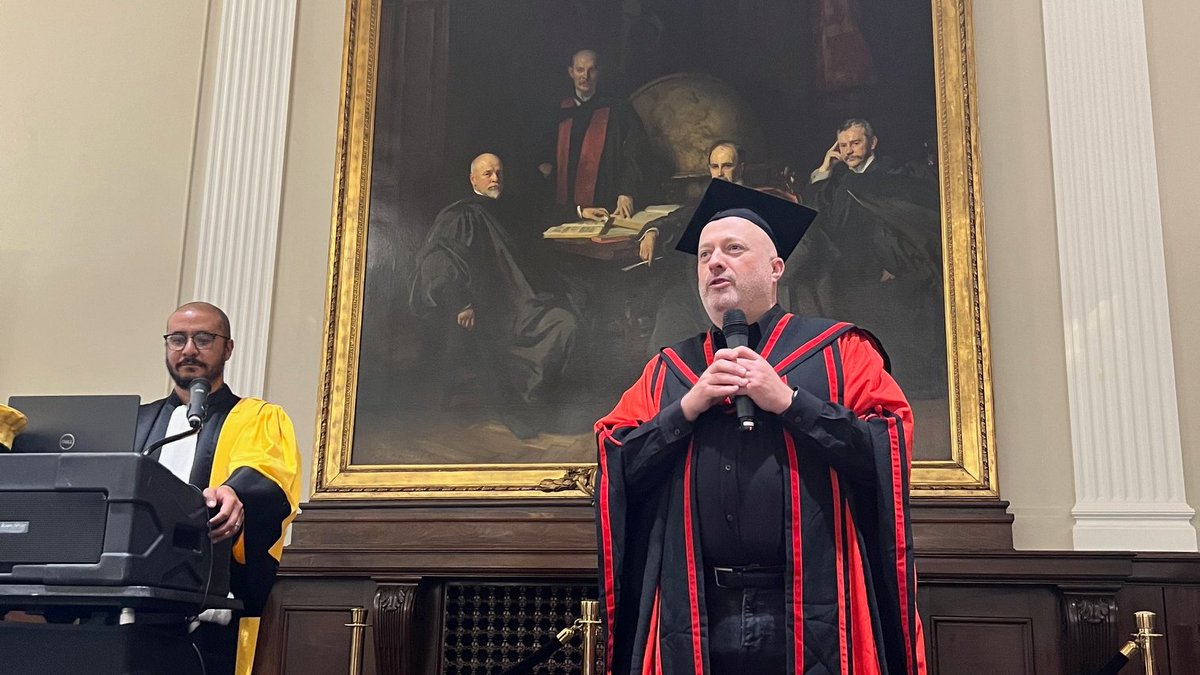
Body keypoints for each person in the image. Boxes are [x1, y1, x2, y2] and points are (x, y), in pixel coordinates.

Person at [595, 179, 926, 674]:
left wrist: (791, 402)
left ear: (776, 268)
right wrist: (685, 410)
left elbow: (887, 449)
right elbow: (617, 460)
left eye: (733, 249)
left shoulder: (841, 352)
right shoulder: (669, 372)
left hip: (816, 605)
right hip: (696, 609)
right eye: (704, 254)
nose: (714, 262)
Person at [135, 301, 302, 674]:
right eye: (177, 339)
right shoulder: (137, 423)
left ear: (228, 348)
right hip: (129, 611)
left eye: (203, 338)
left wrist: (234, 492)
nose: (189, 349)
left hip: (211, 618)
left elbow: (265, 469)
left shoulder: (258, 417)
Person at [410, 153, 579, 438]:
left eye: (499, 172)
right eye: (487, 173)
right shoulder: (460, 215)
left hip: (520, 301)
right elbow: (436, 262)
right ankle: (525, 408)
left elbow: (541, 216)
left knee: (567, 320)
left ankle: (542, 403)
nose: (495, 178)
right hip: (486, 309)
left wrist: (581, 212)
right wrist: (461, 302)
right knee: (555, 322)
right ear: (473, 179)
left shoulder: (506, 208)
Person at [793, 118, 946, 398]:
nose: (849, 151)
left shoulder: (890, 175)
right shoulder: (841, 179)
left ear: (872, 143)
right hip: (851, 273)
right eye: (843, 145)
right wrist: (825, 170)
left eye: (856, 143)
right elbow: (819, 219)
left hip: (890, 274)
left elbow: (908, 222)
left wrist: (895, 264)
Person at [539, 49, 647, 221]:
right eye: (580, 70)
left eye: (592, 70)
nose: (585, 76)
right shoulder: (558, 111)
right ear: (571, 72)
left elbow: (636, 152)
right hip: (567, 211)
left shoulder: (618, 110)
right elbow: (542, 153)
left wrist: (627, 192)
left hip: (609, 207)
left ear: (599, 72)